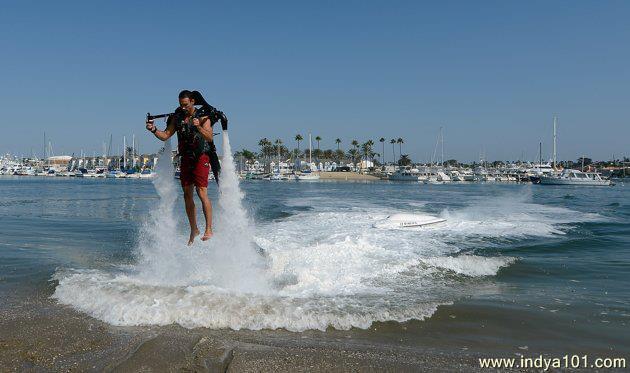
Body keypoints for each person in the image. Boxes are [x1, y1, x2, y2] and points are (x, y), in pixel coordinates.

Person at [145, 90, 216, 245]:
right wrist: (153, 130)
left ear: (192, 101)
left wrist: (199, 127)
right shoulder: (177, 118)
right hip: (186, 159)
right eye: (180, 105)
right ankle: (194, 229)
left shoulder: (203, 116)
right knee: (186, 195)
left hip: (201, 157)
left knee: (201, 192)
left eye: (185, 105)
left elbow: (209, 137)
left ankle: (209, 229)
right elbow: (165, 135)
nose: (183, 107)